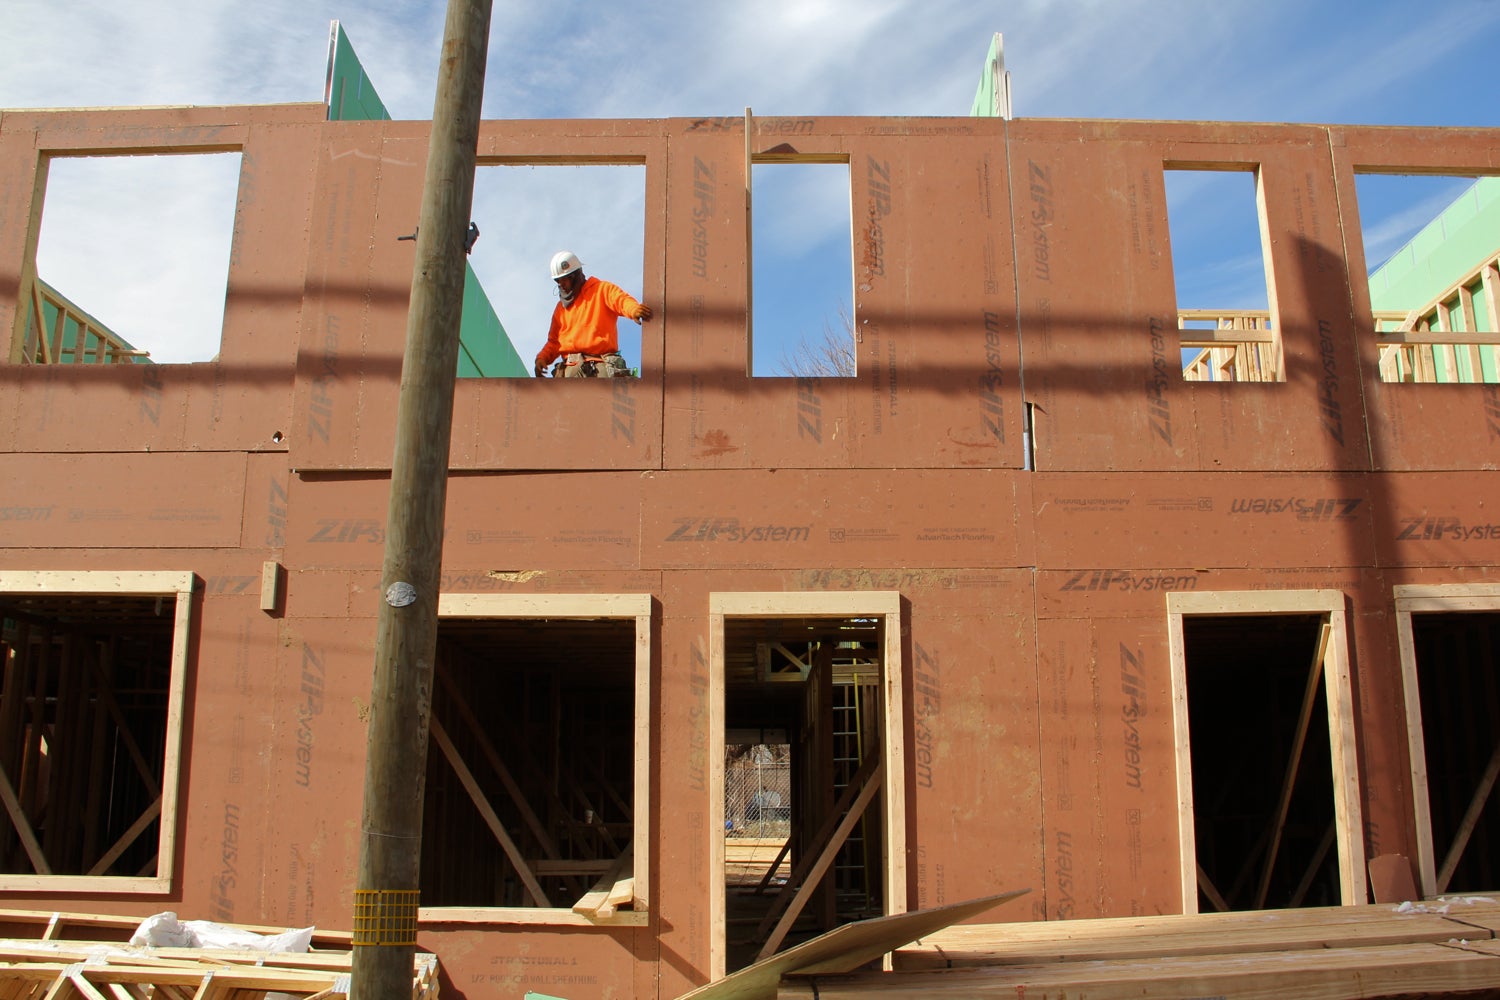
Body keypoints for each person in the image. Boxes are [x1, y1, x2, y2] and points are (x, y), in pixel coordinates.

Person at [534, 250, 653, 377]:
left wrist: (633, 309)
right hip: (572, 370)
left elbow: (621, 300)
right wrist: (542, 358)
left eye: (564, 280)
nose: (561, 285)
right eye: (558, 281)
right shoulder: (561, 309)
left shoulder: (601, 290)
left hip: (601, 366)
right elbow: (554, 342)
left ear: (576, 275)